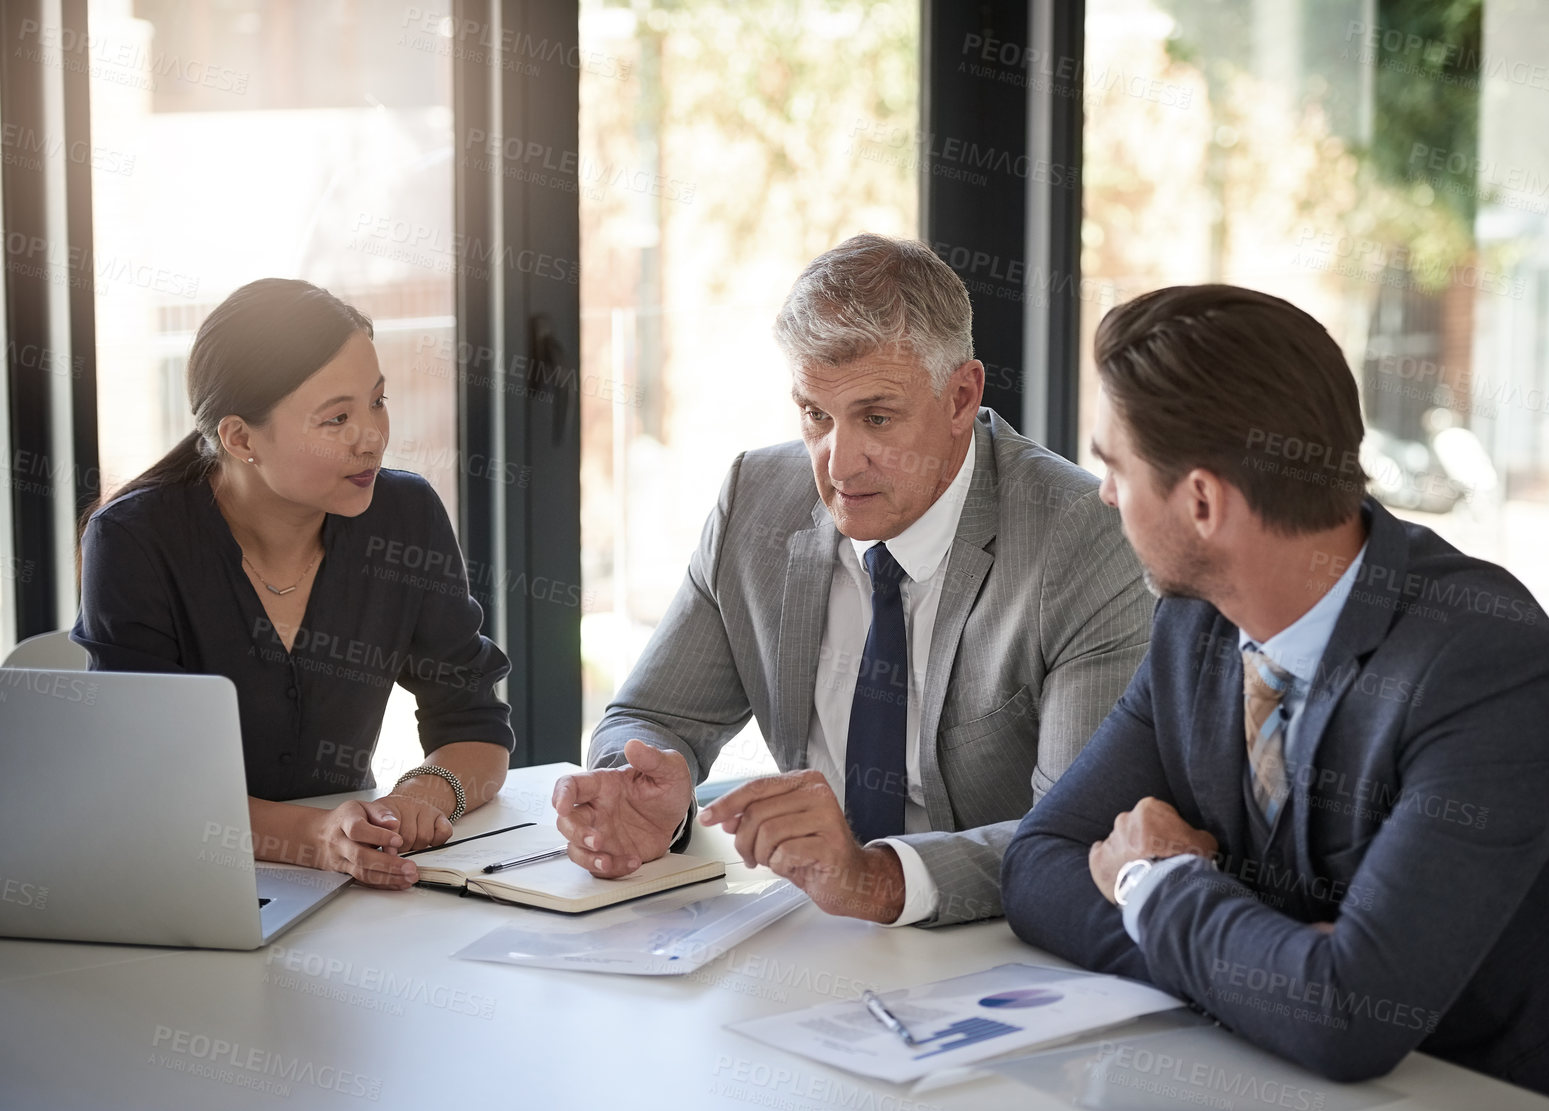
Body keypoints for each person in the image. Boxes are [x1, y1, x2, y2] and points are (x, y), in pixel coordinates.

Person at [999, 283, 1549, 1111]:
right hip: (1322, 1109)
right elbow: (1038, 869)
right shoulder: (1193, 625)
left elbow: (1345, 1013)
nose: (1103, 495)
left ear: (1202, 501)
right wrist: (1265, 968)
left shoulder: (1488, 666)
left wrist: (1152, 886)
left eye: (1113, 466)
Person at [556, 234, 1152, 926]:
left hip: (993, 950)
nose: (838, 467)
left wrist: (879, 880)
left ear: (961, 396)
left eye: (876, 417)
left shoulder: (1078, 536)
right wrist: (641, 787)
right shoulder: (756, 497)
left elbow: (1078, 836)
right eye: (815, 415)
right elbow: (650, 715)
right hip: (808, 931)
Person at [73, 278, 513, 889]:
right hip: (174, 882)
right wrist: (319, 840)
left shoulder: (404, 517)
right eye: (337, 418)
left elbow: (476, 724)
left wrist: (422, 797)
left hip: (344, 890)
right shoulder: (135, 540)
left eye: (377, 402)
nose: (372, 437)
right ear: (240, 438)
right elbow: (144, 784)